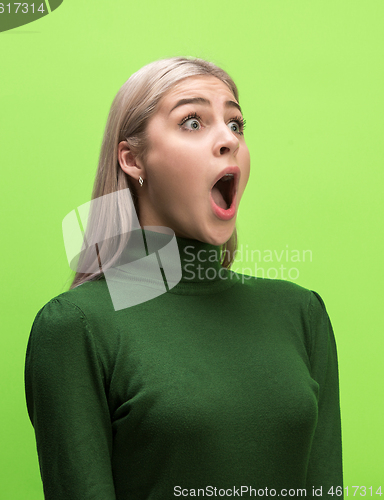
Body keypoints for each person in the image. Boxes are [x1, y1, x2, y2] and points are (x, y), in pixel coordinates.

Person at [24, 56, 343, 499]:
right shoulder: (77, 326)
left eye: (236, 124)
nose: (227, 139)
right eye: (192, 121)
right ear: (133, 159)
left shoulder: (301, 312)